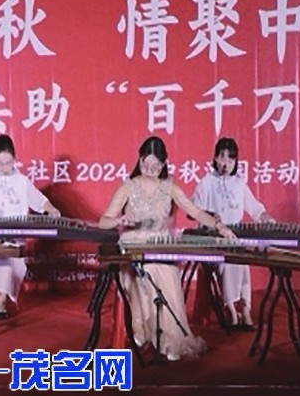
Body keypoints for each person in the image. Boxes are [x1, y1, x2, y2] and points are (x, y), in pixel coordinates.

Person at [98, 136, 235, 361]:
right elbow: (103, 221)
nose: (149, 171)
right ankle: (144, 331)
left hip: (160, 247)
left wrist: (219, 226)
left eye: (155, 167)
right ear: (139, 160)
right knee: (147, 271)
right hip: (134, 249)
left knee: (166, 271)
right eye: (145, 165)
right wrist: (120, 220)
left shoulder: (169, 187)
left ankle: (164, 336)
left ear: (163, 165)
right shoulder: (128, 187)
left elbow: (195, 212)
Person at [0, 134, 60, 318]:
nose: (4, 167)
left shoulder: (22, 181)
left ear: (15, 159)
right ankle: (0, 301)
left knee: (9, 258)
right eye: (0, 163)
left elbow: (40, 201)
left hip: (16, 236)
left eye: (8, 163)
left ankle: (0, 300)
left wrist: (52, 209)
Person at [192, 137, 274, 330]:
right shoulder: (206, 183)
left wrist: (267, 218)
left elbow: (255, 208)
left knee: (242, 261)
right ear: (215, 158)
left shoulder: (239, 184)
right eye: (222, 157)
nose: (226, 163)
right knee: (227, 262)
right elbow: (193, 209)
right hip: (213, 239)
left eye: (231, 159)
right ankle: (230, 309)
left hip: (236, 238)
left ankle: (245, 308)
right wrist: (212, 218)